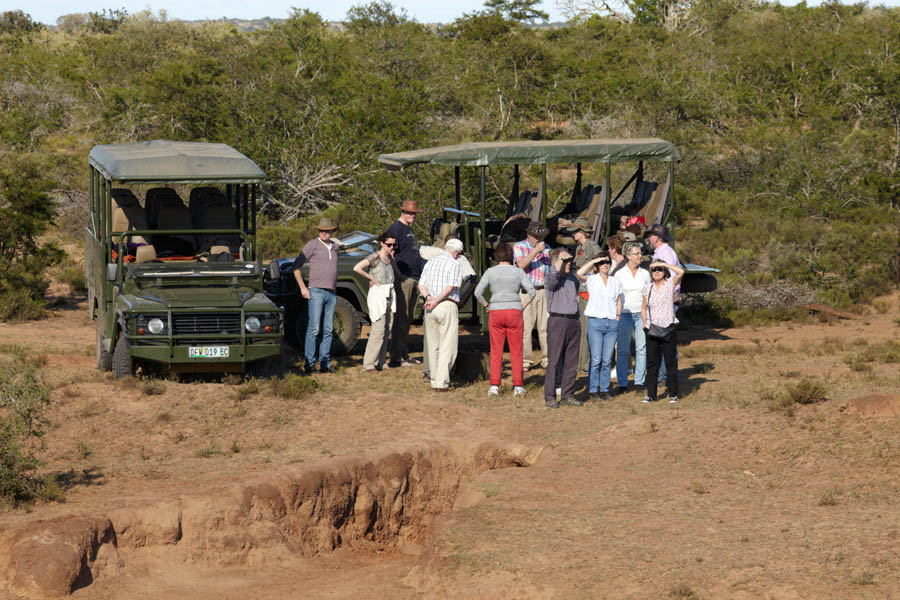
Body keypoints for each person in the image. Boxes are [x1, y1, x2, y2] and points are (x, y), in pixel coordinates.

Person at [474, 242, 536, 397]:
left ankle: (494, 385)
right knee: (516, 351)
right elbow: (532, 292)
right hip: (514, 310)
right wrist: (522, 306)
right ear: (511, 256)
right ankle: (518, 385)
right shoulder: (518, 272)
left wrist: (486, 305)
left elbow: (478, 292)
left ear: (496, 256)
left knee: (496, 351)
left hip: (496, 311)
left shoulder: (490, 271)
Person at [293, 217, 340, 374]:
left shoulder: (335, 247)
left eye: (327, 230)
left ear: (332, 231)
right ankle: (310, 364)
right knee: (314, 328)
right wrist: (303, 288)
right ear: (318, 231)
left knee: (328, 329)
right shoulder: (312, 245)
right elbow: (296, 266)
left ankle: (325, 364)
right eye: (321, 230)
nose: (324, 233)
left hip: (331, 292)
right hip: (316, 291)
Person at [417, 238, 463, 391]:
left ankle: (434, 379)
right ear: (456, 252)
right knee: (447, 346)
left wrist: (429, 298)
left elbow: (421, 284)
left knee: (433, 345)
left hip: (429, 306)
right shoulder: (455, 264)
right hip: (446, 304)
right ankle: (442, 382)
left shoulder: (431, 261)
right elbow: (450, 287)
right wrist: (436, 300)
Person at [576, 251, 623, 400]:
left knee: (607, 359)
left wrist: (618, 316)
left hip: (611, 322)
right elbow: (579, 273)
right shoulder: (592, 279)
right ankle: (593, 389)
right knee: (596, 359)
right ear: (597, 265)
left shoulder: (615, 281)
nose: (605, 265)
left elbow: (618, 300)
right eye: (602, 263)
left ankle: (605, 389)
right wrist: (595, 259)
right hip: (596, 322)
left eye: (608, 262)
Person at [386, 200, 427, 368]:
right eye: (410, 213)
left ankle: (404, 354)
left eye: (414, 213)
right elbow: (389, 253)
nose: (413, 216)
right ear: (402, 212)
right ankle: (395, 358)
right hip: (404, 279)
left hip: (413, 277)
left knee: (408, 318)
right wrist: (398, 275)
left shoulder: (408, 229)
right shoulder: (396, 228)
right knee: (401, 318)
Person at [543, 247, 584, 409]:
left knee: (571, 361)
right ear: (555, 262)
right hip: (558, 321)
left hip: (573, 321)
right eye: (564, 260)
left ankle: (568, 394)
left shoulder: (573, 279)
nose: (568, 263)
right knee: (554, 361)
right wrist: (559, 261)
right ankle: (550, 396)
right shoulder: (552, 278)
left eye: (569, 260)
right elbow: (552, 279)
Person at [641, 260, 685, 403]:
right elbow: (644, 307)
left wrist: (665, 264)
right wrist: (645, 324)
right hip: (652, 329)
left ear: (664, 271)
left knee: (670, 362)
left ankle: (673, 394)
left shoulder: (669, 284)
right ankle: (651, 395)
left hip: (668, 328)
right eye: (654, 270)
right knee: (652, 363)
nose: (657, 272)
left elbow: (681, 272)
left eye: (660, 269)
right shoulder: (647, 288)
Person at [353, 232, 396, 372]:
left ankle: (381, 361)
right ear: (382, 243)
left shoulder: (389, 257)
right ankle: (369, 364)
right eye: (389, 244)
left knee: (387, 329)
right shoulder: (375, 257)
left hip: (389, 294)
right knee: (378, 330)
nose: (391, 247)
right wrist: (371, 278)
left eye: (393, 245)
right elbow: (357, 267)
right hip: (378, 295)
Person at [645, 223, 682, 383]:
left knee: (666, 340)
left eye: (651, 235)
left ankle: (665, 376)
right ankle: (662, 375)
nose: (649, 237)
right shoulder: (662, 251)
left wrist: (673, 295)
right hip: (661, 301)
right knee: (661, 339)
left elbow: (673, 277)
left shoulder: (665, 253)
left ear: (657, 238)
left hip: (666, 303)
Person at [613, 241, 651, 394]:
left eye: (640, 253)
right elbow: (616, 297)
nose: (640, 256)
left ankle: (639, 382)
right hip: (625, 315)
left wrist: (647, 315)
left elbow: (648, 294)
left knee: (641, 348)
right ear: (628, 256)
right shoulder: (619, 274)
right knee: (622, 349)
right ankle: (623, 382)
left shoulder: (645, 274)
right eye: (637, 254)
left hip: (641, 314)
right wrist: (616, 314)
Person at [513, 221, 551, 370]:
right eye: (536, 236)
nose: (538, 239)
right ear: (528, 234)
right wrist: (535, 252)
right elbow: (521, 265)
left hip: (544, 290)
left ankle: (547, 358)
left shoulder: (546, 248)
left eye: (540, 236)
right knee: (526, 328)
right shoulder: (519, 246)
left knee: (545, 327)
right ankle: (525, 361)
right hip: (527, 291)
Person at [569, 217, 603, 374]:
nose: (573, 234)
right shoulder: (579, 248)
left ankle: (586, 363)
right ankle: (582, 362)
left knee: (588, 328)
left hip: (589, 293)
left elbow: (601, 260)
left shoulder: (592, 246)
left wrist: (592, 273)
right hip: (581, 291)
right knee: (582, 328)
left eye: (575, 231)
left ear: (582, 232)